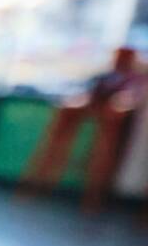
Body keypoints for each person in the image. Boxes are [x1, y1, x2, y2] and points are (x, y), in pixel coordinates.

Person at [22, 46, 146, 210]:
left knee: (102, 150)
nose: (119, 60)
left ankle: (92, 198)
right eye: (118, 56)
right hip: (93, 109)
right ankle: (35, 186)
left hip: (110, 117)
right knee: (59, 138)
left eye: (124, 57)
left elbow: (126, 100)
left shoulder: (133, 80)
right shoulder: (107, 77)